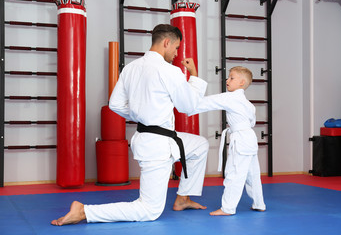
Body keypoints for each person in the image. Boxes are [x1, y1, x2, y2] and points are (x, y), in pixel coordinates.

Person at [51, 24, 209, 226]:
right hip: (157, 146)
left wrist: (139, 112)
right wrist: (193, 76)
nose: (176, 53)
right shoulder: (170, 71)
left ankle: (183, 198)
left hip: (152, 139)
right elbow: (189, 106)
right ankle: (84, 212)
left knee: (200, 145)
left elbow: (115, 104)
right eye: (176, 48)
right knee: (149, 210)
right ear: (166, 42)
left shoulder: (131, 68)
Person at [189, 66, 266, 216]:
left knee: (234, 174)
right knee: (252, 174)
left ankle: (228, 208)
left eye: (232, 78)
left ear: (242, 82)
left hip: (241, 139)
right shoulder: (249, 105)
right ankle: (259, 204)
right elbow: (251, 123)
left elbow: (205, 103)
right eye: (228, 77)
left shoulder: (229, 97)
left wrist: (184, 103)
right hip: (250, 139)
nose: (227, 80)